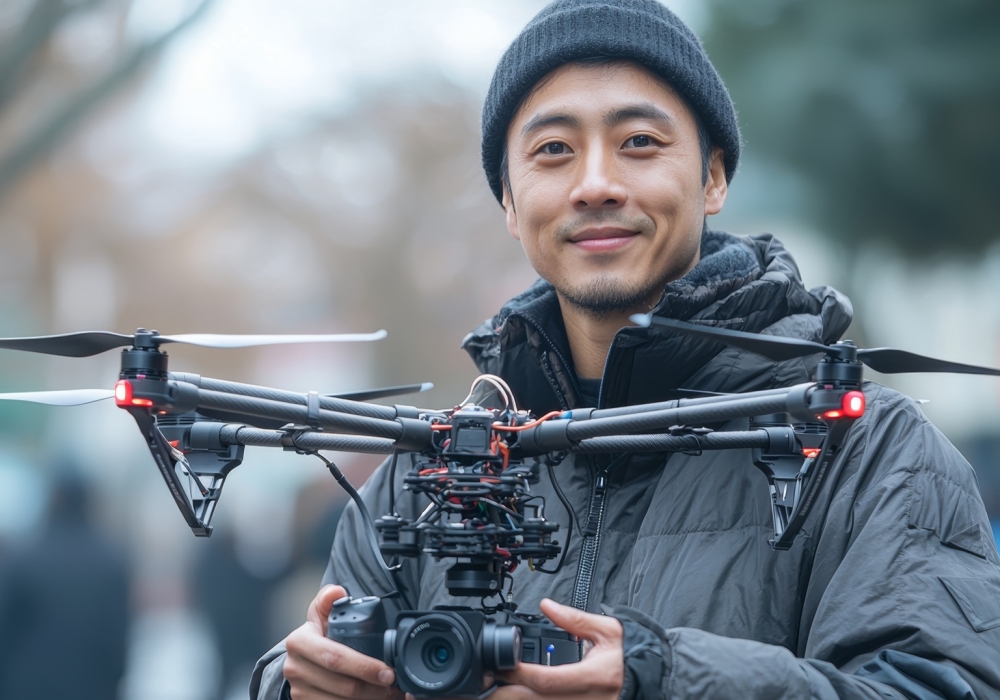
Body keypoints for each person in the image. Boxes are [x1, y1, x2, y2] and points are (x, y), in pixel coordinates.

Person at [251, 1, 1000, 698]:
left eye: (639, 142)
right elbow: (317, 656)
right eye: (553, 150)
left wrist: (667, 680)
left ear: (711, 178)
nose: (596, 184)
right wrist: (297, 684)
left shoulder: (866, 449)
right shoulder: (429, 470)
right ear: (510, 204)